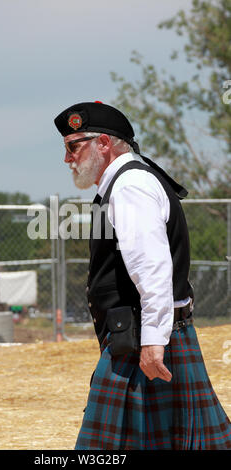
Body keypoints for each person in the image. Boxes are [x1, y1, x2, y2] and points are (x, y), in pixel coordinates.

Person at [54, 101, 231, 450]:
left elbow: (153, 271)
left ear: (103, 144)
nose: (67, 158)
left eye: (73, 146)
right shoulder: (127, 181)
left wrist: (153, 344)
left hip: (143, 341)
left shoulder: (130, 186)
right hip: (145, 336)